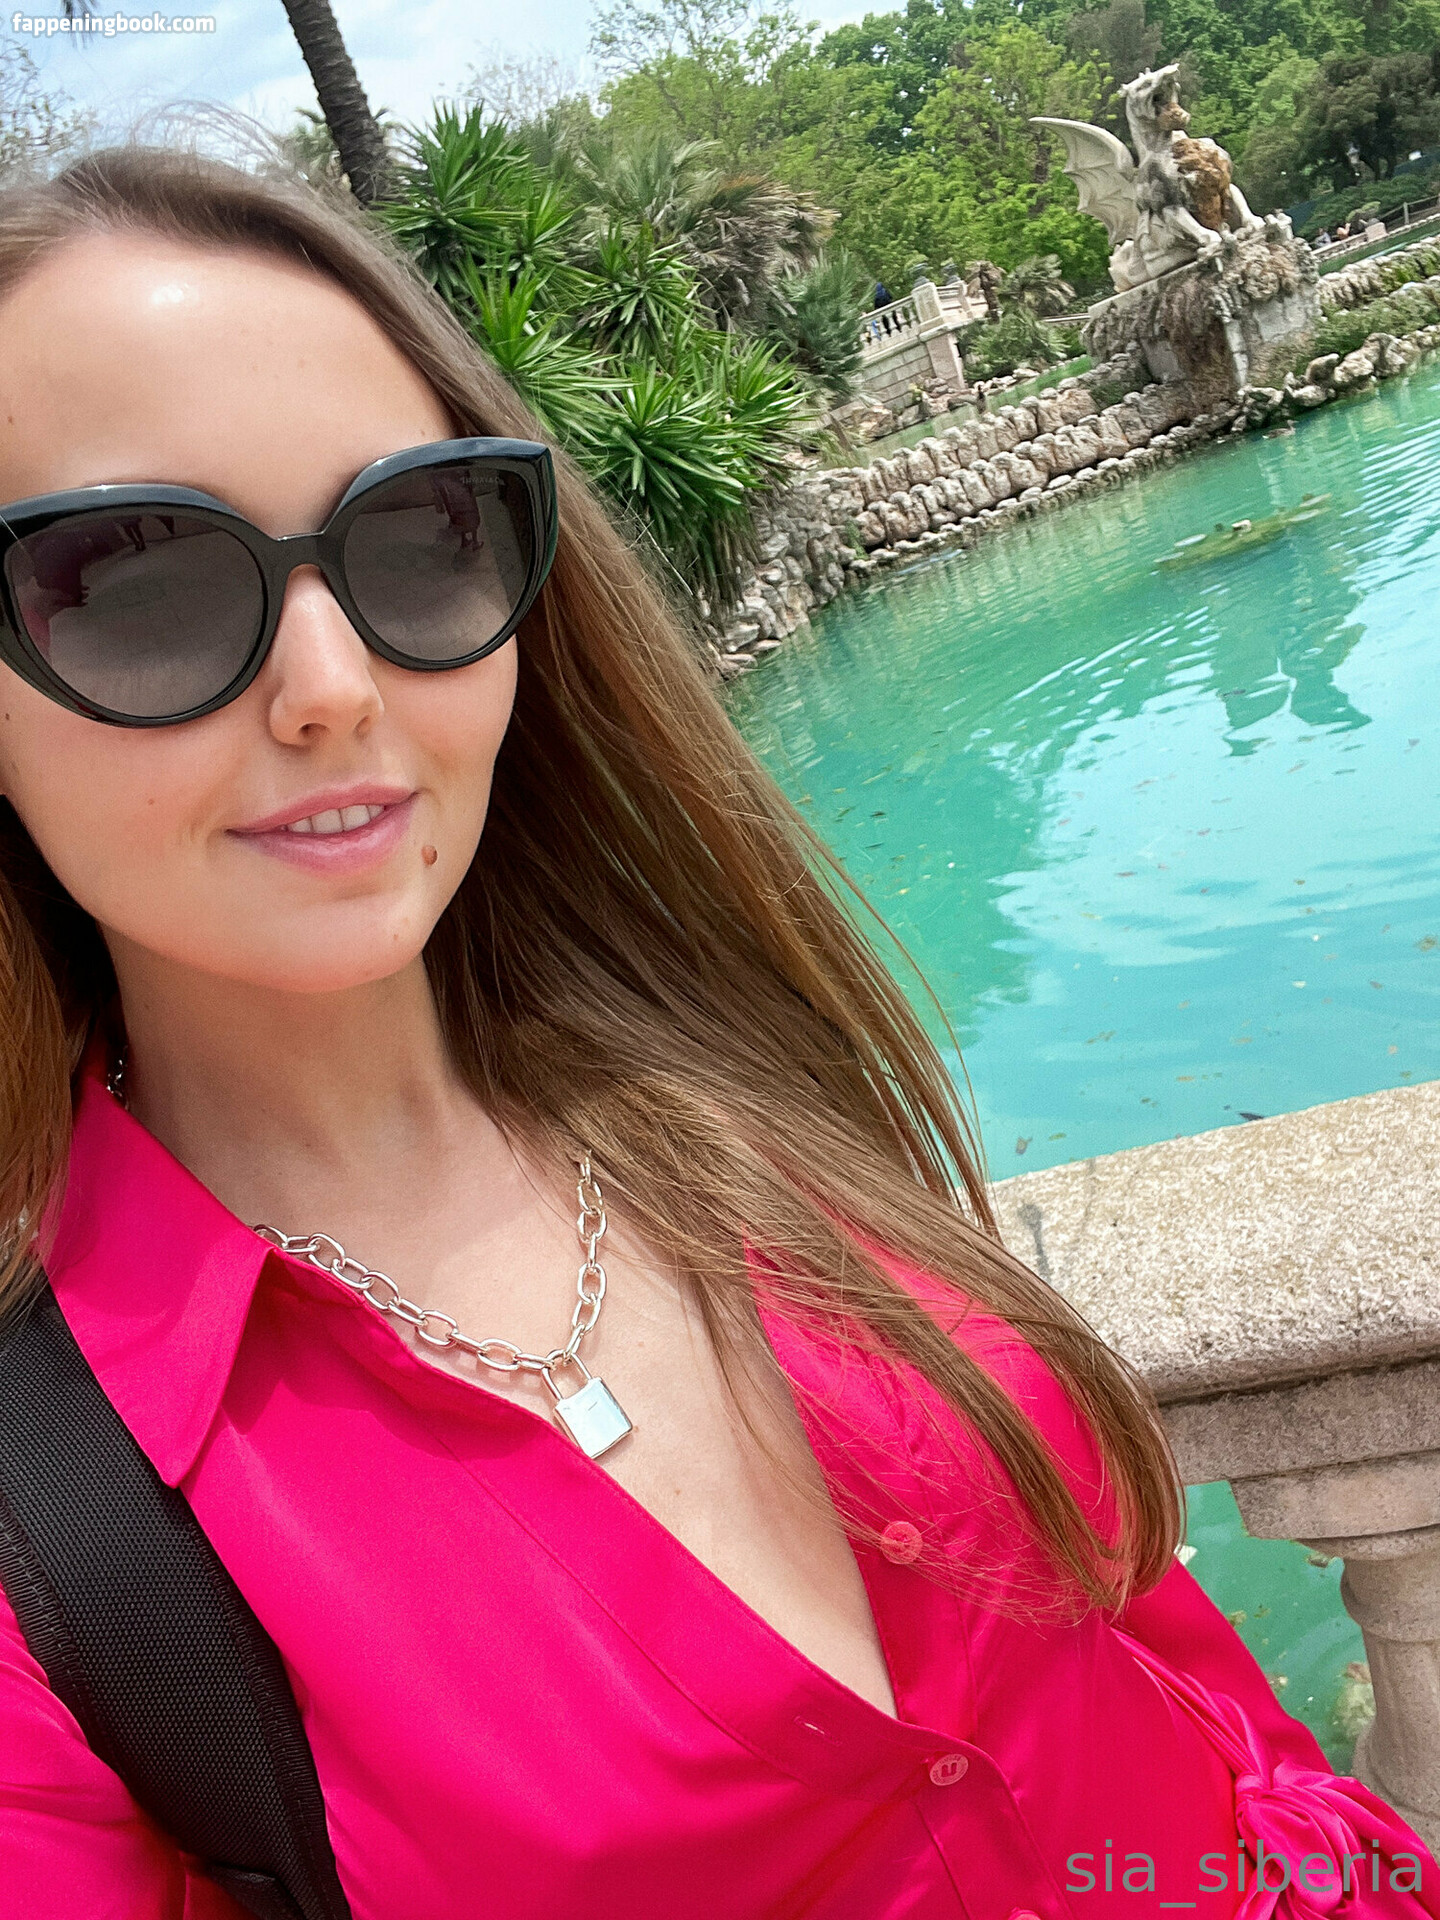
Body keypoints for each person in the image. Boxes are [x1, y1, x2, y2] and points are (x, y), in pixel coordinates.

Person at [0, 147, 1434, 1920]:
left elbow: (1145, 1646)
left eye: (418, 540)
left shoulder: (727, 1073)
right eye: (141, 583)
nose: (336, 689)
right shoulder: (53, 1545)